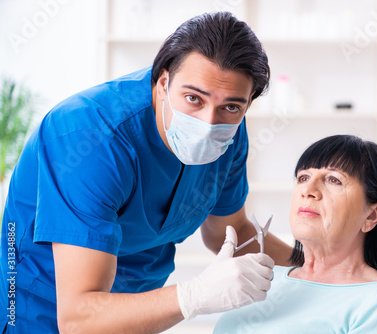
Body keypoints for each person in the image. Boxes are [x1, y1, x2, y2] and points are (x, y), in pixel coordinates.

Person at [0, 12, 292, 333]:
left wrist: (315, 260)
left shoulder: (228, 128)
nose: (209, 123)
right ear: (163, 83)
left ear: (248, 103)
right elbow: (79, 317)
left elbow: (230, 230)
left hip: (137, 310)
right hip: (42, 310)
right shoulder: (89, 138)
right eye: (193, 99)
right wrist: (194, 295)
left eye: (232, 107)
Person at [214, 135, 377, 334]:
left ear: (371, 216)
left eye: (334, 180)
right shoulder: (264, 277)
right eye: (303, 177)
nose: (308, 190)